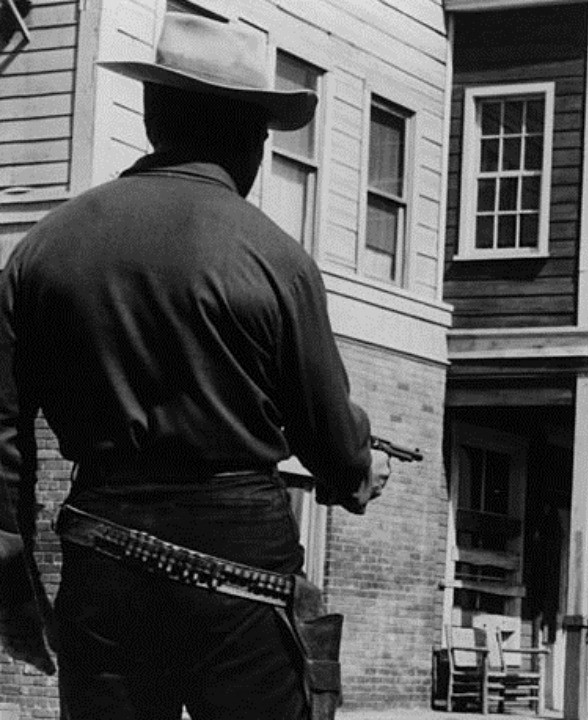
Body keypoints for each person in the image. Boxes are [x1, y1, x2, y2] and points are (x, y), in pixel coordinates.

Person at [0, 12, 392, 719]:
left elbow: (3, 438)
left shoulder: (41, 251)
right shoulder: (275, 258)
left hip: (103, 561)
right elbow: (330, 445)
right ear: (249, 137)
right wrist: (360, 467)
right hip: (241, 571)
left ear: (154, 120)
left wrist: (13, 575)